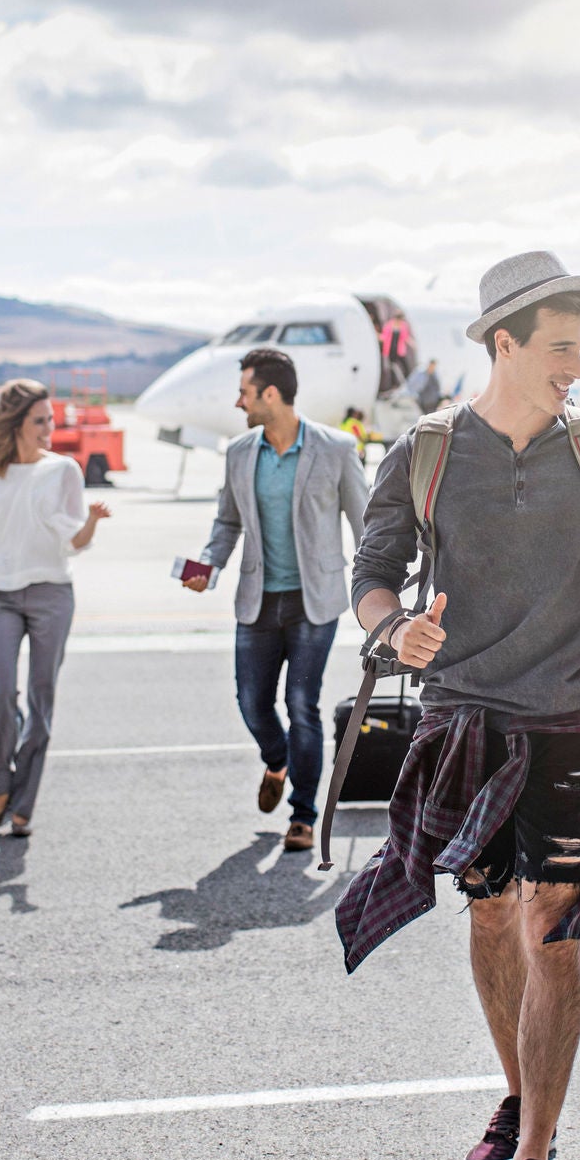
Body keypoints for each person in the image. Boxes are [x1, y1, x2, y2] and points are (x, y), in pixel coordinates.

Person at [339, 251, 580, 1160]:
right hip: (461, 720)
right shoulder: (427, 451)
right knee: (489, 922)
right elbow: (371, 573)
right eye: (560, 348)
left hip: (573, 718)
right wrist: (393, 628)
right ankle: (515, 1096)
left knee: (550, 930)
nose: (576, 365)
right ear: (503, 343)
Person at [188, 348, 368, 853]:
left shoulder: (335, 449)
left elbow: (366, 523)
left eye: (244, 391)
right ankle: (277, 760)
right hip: (258, 599)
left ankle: (303, 816)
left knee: (301, 705)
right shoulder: (240, 452)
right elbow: (226, 522)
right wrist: (208, 566)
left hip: (315, 601)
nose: (238, 401)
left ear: (271, 394)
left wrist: (382, 589)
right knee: (252, 703)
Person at [0, 379, 111, 837]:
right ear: (17, 423)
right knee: (1, 695)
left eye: (51, 419)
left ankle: (24, 802)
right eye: (40, 420)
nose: (49, 428)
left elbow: (73, 540)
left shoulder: (63, 470)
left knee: (41, 702)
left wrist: (94, 523)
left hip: (51, 596)